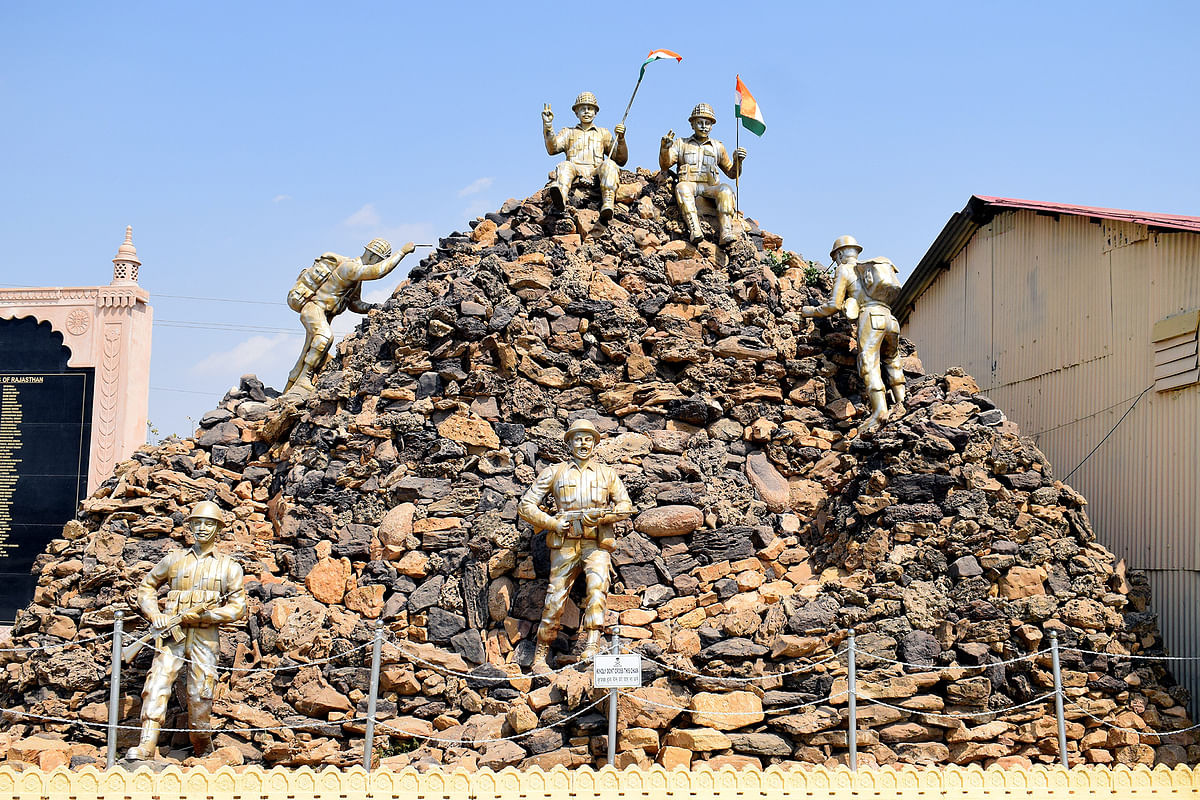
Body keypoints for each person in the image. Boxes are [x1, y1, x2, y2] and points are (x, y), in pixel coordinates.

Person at [126, 501, 247, 760]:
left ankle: (201, 743)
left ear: (218, 528)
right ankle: (147, 744)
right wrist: (155, 615)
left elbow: (238, 607)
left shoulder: (229, 567)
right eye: (198, 523)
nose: (203, 528)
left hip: (205, 636)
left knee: (201, 692)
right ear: (190, 525)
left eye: (209, 523)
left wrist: (208, 615)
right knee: (156, 683)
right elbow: (147, 587)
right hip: (171, 635)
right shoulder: (174, 559)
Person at [518, 418, 633, 674]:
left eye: (588, 439)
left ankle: (592, 645)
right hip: (565, 545)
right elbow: (526, 506)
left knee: (597, 588)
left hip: (595, 544)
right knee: (555, 597)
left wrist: (603, 516)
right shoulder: (554, 472)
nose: (583, 444)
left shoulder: (607, 474)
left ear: (595, 443)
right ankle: (540, 654)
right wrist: (552, 523)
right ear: (569, 442)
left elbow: (625, 506)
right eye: (578, 439)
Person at [283, 238, 415, 397]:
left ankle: (290, 389)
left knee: (308, 350)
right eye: (380, 260)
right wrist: (402, 252)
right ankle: (304, 379)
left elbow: (354, 304)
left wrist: (372, 307)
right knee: (324, 338)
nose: (378, 262)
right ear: (374, 257)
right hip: (314, 308)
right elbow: (377, 272)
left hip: (325, 313)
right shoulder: (349, 267)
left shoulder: (355, 278)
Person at [802, 235, 906, 431]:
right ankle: (904, 404)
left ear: (839, 254)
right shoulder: (869, 270)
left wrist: (810, 312)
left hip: (871, 317)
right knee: (892, 360)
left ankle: (879, 411)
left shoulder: (844, 270)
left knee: (869, 362)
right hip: (891, 318)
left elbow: (833, 305)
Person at [658, 103, 746, 246]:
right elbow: (665, 164)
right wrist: (664, 149)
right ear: (692, 124)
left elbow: (731, 173)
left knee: (726, 190)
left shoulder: (718, 147)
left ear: (712, 126)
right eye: (699, 122)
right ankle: (695, 229)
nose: (704, 126)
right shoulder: (681, 143)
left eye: (707, 123)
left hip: (710, 187)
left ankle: (726, 232)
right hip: (689, 184)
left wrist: (738, 161)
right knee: (682, 188)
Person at [542, 92, 628, 221]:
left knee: (610, 164)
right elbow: (552, 148)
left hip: (596, 169)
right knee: (564, 165)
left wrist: (621, 139)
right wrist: (548, 126)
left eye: (590, 109)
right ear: (576, 112)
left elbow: (621, 159)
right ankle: (561, 198)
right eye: (582, 109)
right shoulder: (568, 132)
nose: (586, 112)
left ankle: (608, 203)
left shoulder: (603, 133)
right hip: (575, 169)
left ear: (595, 112)